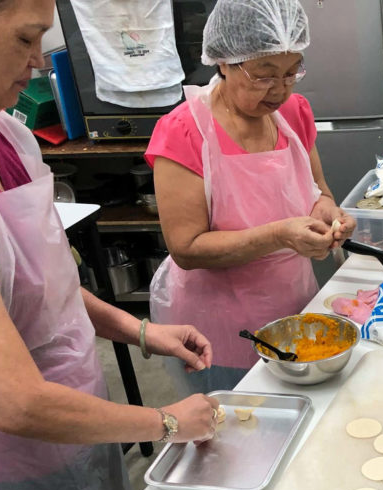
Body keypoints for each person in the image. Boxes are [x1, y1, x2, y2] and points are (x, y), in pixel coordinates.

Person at [0, 0, 222, 490]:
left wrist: (140, 330)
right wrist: (166, 422)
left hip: (78, 422)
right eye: (24, 39)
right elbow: (15, 403)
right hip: (3, 462)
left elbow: (46, 287)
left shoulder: (2, 135)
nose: (40, 62)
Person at [146, 0, 355, 395]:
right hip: (218, 328)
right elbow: (186, 249)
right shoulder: (184, 131)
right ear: (223, 62)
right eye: (263, 75)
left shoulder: (294, 113)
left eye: (292, 71)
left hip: (295, 308)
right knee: (236, 437)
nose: (280, 89)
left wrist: (329, 215)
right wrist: (280, 235)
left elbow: (318, 193)